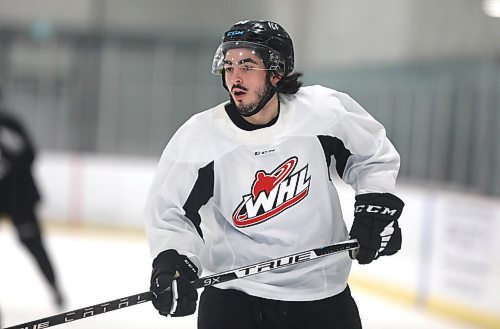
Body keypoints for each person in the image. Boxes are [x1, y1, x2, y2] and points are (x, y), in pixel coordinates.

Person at [144, 20, 405, 329]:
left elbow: (371, 153)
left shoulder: (322, 112)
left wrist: (374, 209)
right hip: (234, 298)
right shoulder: (200, 137)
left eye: (247, 66)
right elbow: (168, 210)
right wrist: (173, 260)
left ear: (277, 71)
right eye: (228, 66)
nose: (235, 78)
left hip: (322, 295)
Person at [0, 86, 64, 309]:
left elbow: (29, 155)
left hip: (19, 198)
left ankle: (54, 287)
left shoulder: (7, 124)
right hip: (16, 195)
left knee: (33, 243)